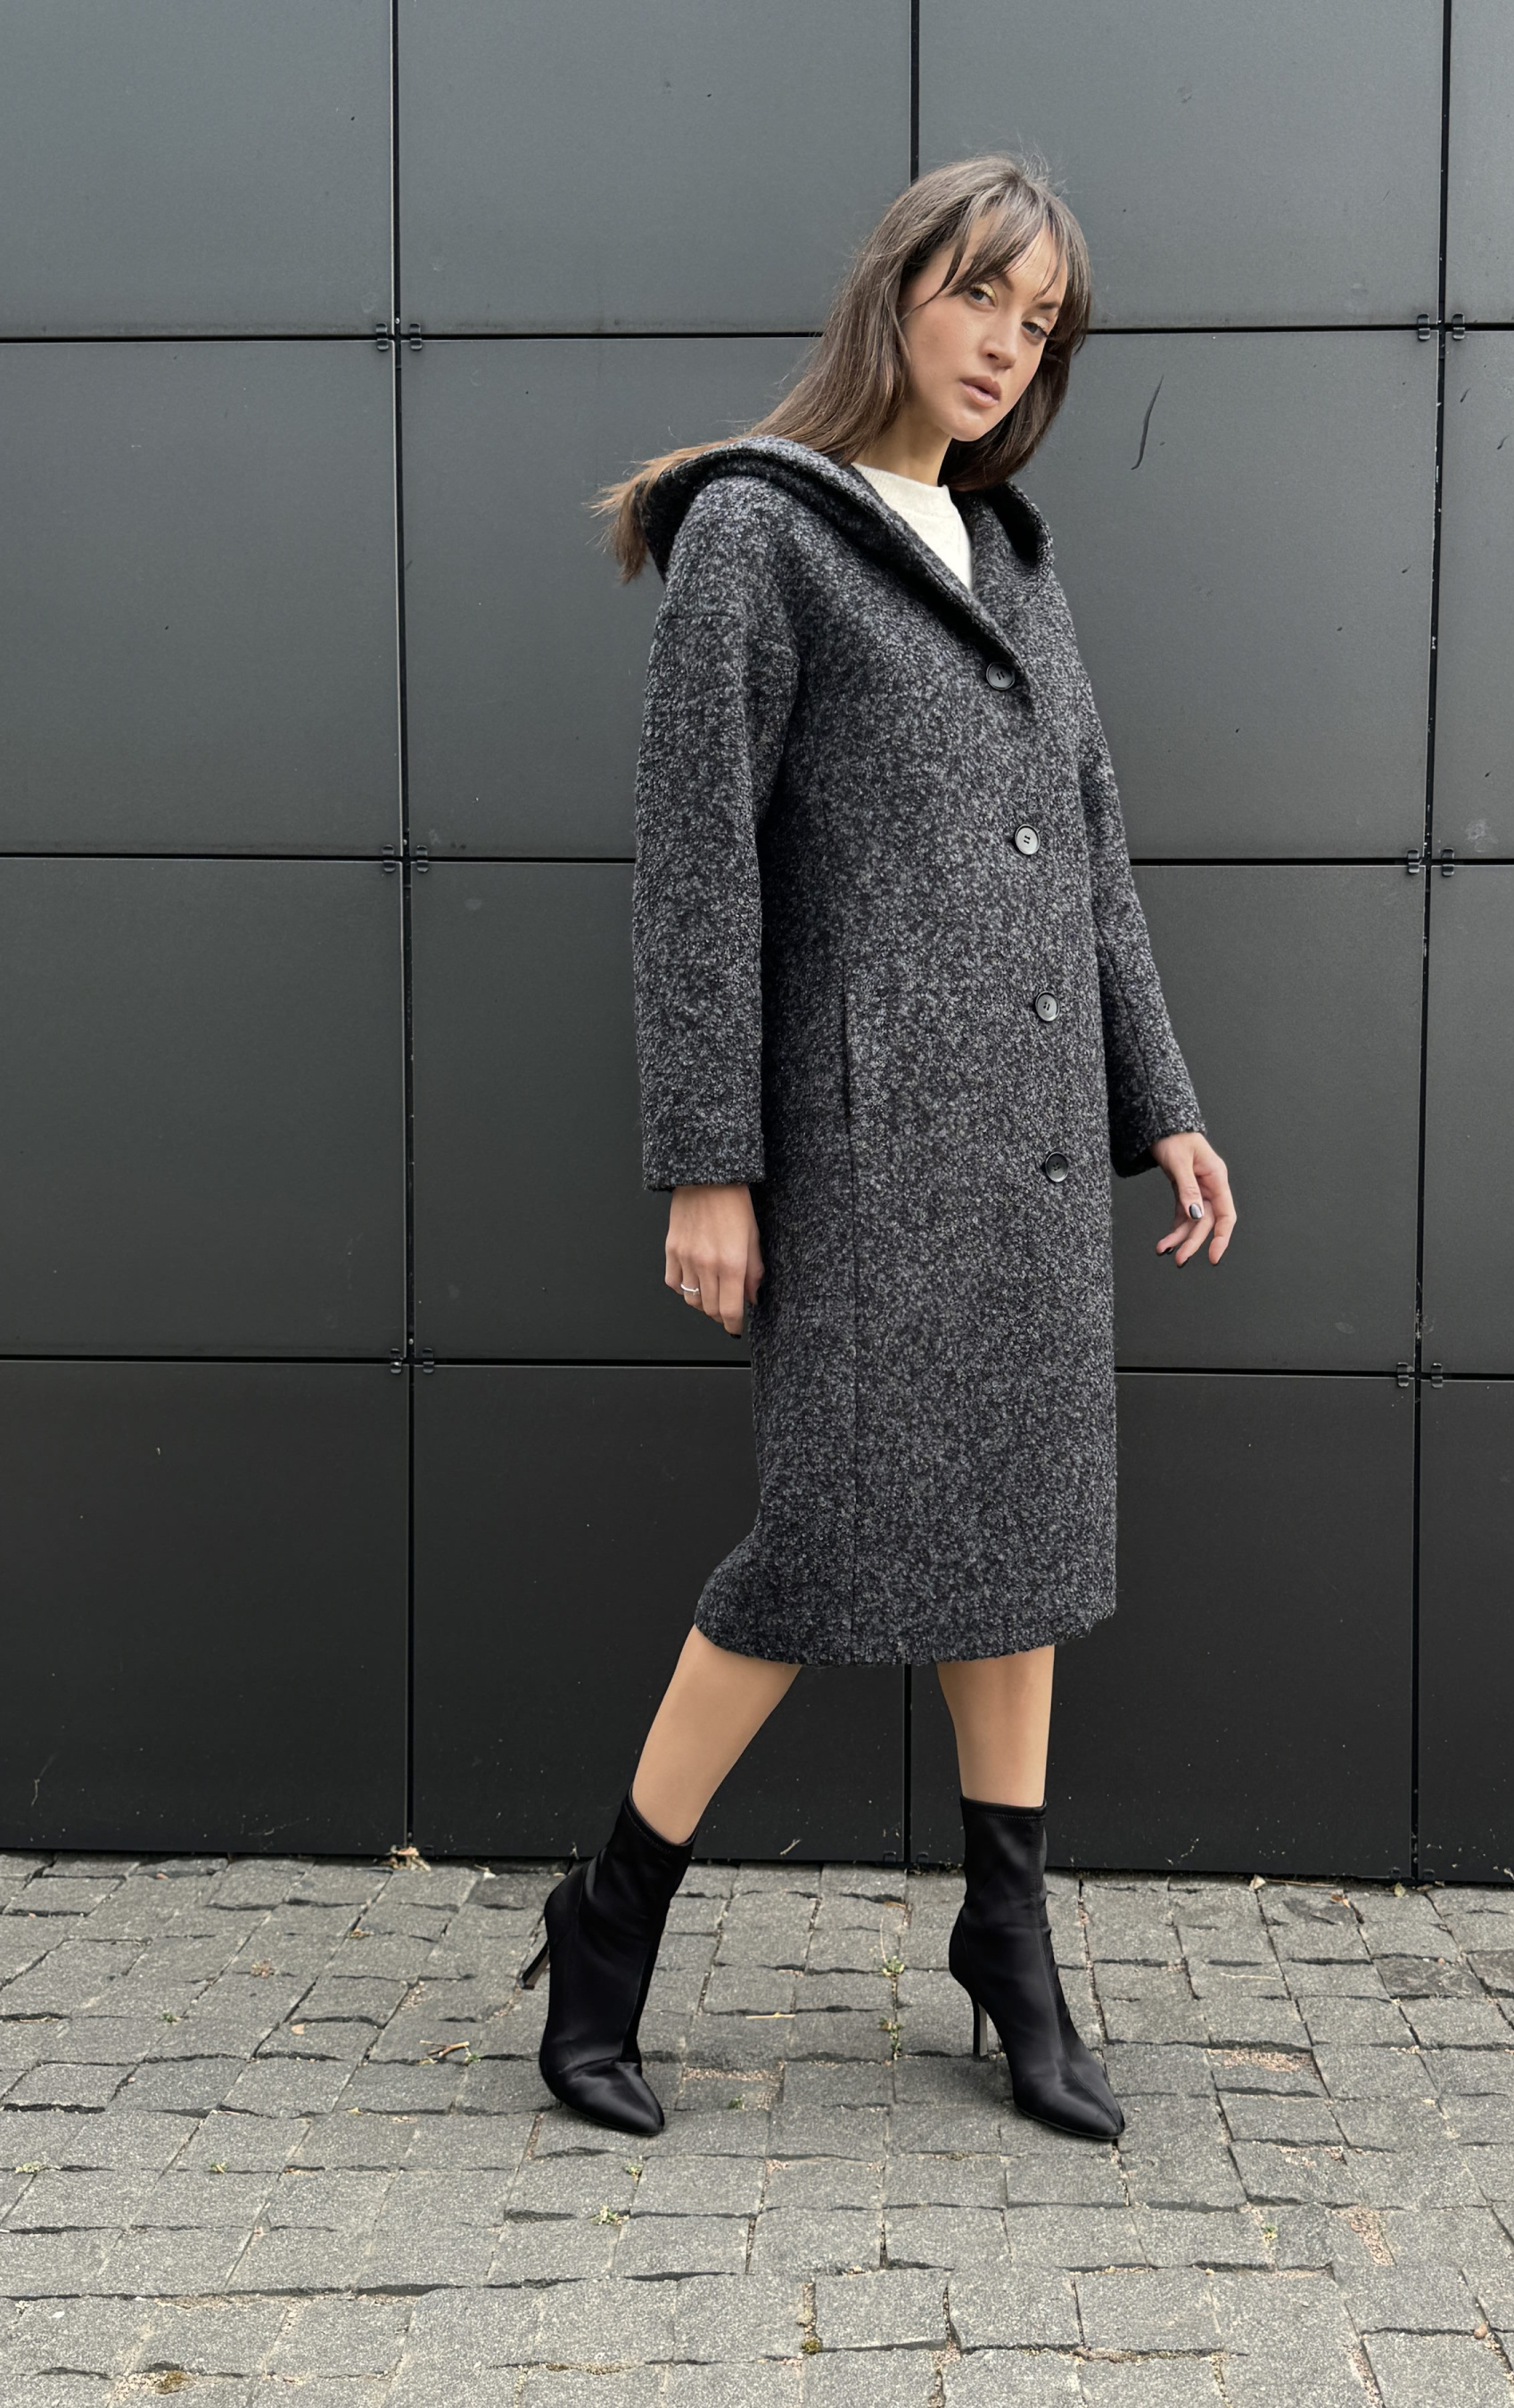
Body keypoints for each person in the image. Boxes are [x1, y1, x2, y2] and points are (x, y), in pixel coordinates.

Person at [521, 154, 1236, 2145]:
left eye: (1040, 320)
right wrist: (707, 1160)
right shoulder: (763, 531)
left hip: (1028, 1149)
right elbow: (696, 868)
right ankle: (605, 1924)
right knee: (818, 1547)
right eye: (979, 295)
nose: (1006, 344)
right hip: (860, 1150)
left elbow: (1088, 849)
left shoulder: (1010, 554)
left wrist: (1162, 1103)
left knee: (1022, 1540)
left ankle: (1006, 1940)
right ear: (895, 290)